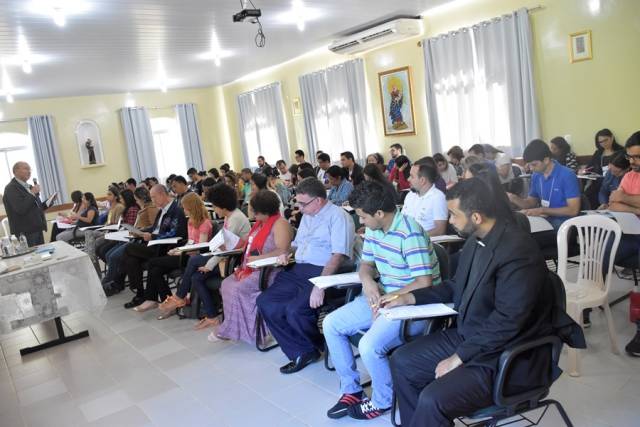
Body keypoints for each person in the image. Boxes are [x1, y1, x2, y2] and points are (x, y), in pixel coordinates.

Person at [387, 178, 554, 427]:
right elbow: (457, 286)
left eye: (453, 214)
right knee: (401, 361)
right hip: (473, 337)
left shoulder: (518, 250)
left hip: (506, 352)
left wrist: (458, 358)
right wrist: (410, 297)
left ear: (476, 217)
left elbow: (508, 321)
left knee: (433, 399)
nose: (450, 220)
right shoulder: (478, 241)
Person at [323, 181, 441, 420]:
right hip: (384, 297)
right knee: (331, 324)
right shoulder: (375, 230)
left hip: (414, 305)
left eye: (363, 217)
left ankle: (383, 400)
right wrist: (368, 282)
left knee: (369, 345)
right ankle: (352, 390)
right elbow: (366, 264)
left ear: (379, 213)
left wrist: (390, 298)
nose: (361, 222)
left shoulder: (409, 232)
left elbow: (423, 282)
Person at [257, 178, 355, 374]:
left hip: (324, 271)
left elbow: (338, 256)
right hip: (299, 269)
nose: (299, 208)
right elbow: (297, 244)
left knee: (296, 310)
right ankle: (302, 349)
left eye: (303, 203)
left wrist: (320, 285)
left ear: (318, 200)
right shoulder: (308, 216)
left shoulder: (338, 217)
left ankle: (315, 345)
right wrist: (287, 253)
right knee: (266, 301)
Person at [161, 183, 252, 327]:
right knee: (196, 277)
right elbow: (223, 246)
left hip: (234, 262)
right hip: (225, 258)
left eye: (215, 206)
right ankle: (212, 316)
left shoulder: (235, 218)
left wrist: (209, 265)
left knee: (194, 261)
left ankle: (180, 296)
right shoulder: (230, 217)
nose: (213, 209)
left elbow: (227, 250)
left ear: (222, 205)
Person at [211, 190, 293, 342]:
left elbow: (283, 250)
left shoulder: (280, 224)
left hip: (270, 271)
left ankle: (251, 331)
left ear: (263, 211)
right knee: (227, 283)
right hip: (253, 267)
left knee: (238, 288)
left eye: (254, 211)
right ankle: (234, 327)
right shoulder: (259, 224)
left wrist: (259, 258)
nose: (252, 214)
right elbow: (247, 246)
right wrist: (228, 247)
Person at [134, 192, 214, 312]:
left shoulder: (205, 223)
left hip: (191, 258)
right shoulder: (191, 221)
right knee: (156, 270)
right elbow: (190, 242)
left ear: (192, 207)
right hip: (185, 253)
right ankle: (168, 300)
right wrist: (177, 250)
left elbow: (200, 248)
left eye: (185, 208)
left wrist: (181, 252)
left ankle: (156, 299)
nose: (183, 210)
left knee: (152, 263)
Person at [119, 185, 188, 309]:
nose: (153, 200)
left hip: (165, 248)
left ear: (162, 194)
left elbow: (175, 233)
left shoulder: (175, 211)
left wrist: (153, 236)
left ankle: (133, 287)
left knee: (129, 248)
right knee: (132, 259)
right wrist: (140, 231)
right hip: (155, 245)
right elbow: (156, 227)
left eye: (154, 197)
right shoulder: (162, 210)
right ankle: (143, 295)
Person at [507, 139, 580, 230]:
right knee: (517, 227)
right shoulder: (536, 175)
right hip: (544, 220)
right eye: (529, 165)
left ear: (546, 160)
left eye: (534, 164)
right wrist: (513, 198)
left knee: (527, 237)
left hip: (565, 223)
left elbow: (573, 210)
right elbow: (530, 203)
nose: (531, 168)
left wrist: (542, 210)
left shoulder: (567, 175)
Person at [2, 161, 54, 246]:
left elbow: (37, 208)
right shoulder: (11, 188)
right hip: (25, 232)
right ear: (15, 171)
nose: (29, 171)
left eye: (30, 169)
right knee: (32, 258)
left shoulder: (29, 187)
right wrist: (32, 193)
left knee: (41, 256)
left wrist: (49, 201)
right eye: (26, 168)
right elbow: (21, 209)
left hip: (37, 228)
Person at [583, 128, 626, 208]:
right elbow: (589, 167)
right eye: (600, 142)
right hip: (599, 182)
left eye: (605, 140)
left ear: (612, 138)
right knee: (587, 195)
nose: (603, 144)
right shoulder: (598, 153)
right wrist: (583, 171)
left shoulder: (621, 152)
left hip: (613, 181)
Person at [402, 163, 448, 236]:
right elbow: (402, 220)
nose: (408, 179)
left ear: (422, 180)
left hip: (423, 243)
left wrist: (415, 237)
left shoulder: (438, 197)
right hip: (405, 239)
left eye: (412, 176)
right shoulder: (410, 195)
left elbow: (440, 231)